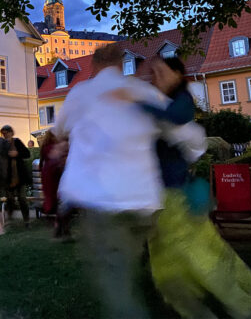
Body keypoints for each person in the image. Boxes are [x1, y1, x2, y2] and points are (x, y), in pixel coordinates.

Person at [51, 44, 182, 318]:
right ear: (123, 64)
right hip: (145, 201)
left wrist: (70, 140)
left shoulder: (82, 93)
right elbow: (181, 130)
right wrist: (169, 89)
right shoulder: (142, 92)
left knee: (117, 284)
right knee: (131, 264)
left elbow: (59, 129)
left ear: (93, 67)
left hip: (107, 203)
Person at [135, 58, 251, 318]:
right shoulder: (162, 101)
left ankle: (243, 304)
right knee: (173, 258)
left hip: (174, 195)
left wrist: (137, 104)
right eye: (153, 74)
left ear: (177, 74)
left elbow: (176, 118)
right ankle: (193, 301)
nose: (155, 78)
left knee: (198, 255)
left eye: (160, 72)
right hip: (161, 194)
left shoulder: (179, 101)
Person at [0, 125, 31, 227]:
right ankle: (10, 220)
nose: (5, 135)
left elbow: (27, 153)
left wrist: (17, 153)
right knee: (10, 200)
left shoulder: (17, 142)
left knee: (22, 199)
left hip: (19, 176)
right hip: (8, 177)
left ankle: (26, 220)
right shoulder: (3, 144)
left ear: (11, 132)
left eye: (6, 133)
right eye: (3, 133)